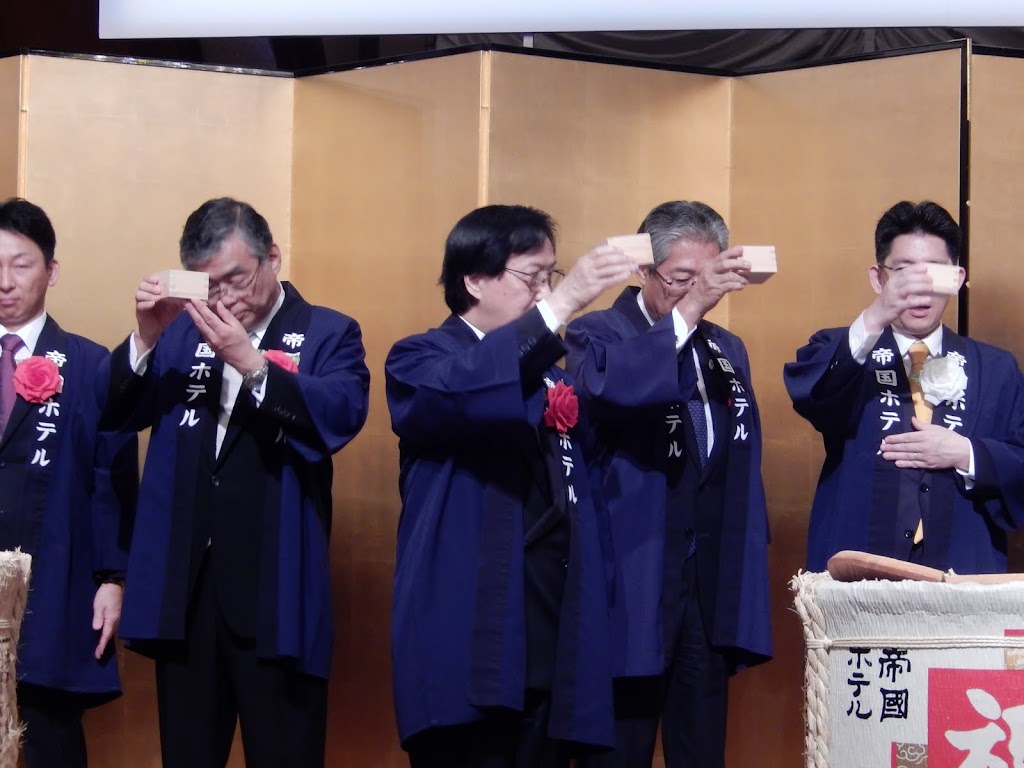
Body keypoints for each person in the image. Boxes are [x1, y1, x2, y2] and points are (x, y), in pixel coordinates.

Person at [100, 197, 370, 768]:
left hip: (278, 594)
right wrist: (146, 337)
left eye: (237, 279)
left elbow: (341, 415)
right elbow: (113, 414)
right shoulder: (180, 333)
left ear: (273, 256)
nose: (225, 299)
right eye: (208, 286)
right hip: (187, 592)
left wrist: (252, 364)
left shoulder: (329, 331)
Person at [385, 204, 637, 767]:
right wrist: (562, 304)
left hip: (549, 633)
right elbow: (459, 390)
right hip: (471, 631)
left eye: (552, 275)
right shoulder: (420, 356)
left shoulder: (556, 375)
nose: (544, 290)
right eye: (532, 276)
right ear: (474, 279)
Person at [564, 200, 772, 768]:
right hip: (632, 573)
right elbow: (608, 393)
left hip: (706, 581)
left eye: (708, 279)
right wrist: (690, 310)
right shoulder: (595, 334)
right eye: (682, 279)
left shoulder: (726, 348)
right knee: (620, 745)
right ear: (643, 270)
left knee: (700, 746)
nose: (695, 293)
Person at [784, 200, 1024, 573]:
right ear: (878, 279)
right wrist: (876, 316)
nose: (919, 288)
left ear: (957, 278)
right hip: (859, 564)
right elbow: (815, 396)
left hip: (960, 571)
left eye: (934, 272)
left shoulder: (996, 369)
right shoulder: (845, 350)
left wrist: (966, 453)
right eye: (904, 272)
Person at [0, 197, 137, 767]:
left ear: (51, 271)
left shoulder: (89, 365)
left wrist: (113, 578)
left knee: (49, 737)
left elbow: (113, 480)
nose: (4, 282)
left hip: (54, 585)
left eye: (21, 264)